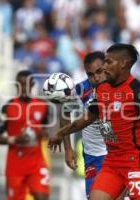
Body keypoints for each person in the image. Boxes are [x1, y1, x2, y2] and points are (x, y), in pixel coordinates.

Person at [49, 43, 140, 200]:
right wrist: (60, 134)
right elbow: (87, 118)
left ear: (123, 64)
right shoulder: (101, 89)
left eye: (109, 62)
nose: (105, 67)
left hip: (134, 162)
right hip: (111, 162)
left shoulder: (137, 91)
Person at [0, 70, 50, 200]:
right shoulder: (7, 107)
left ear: (33, 84)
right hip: (15, 165)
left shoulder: (43, 105)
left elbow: (46, 130)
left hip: (36, 162)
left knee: (42, 197)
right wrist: (15, 139)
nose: (23, 88)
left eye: (26, 85)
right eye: (20, 85)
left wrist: (43, 133)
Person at [60, 51, 108, 199]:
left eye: (99, 72)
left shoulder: (120, 86)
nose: (96, 77)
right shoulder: (81, 90)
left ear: (106, 67)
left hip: (118, 155)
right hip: (93, 157)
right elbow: (64, 112)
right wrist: (68, 148)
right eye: (91, 74)